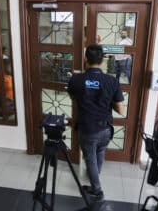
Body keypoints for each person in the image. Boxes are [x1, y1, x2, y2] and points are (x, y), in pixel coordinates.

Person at [67, 44, 125, 202]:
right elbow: (121, 109)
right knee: (99, 153)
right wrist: (107, 102)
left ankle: (97, 190)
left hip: (87, 128)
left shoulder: (76, 79)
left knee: (90, 158)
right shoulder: (112, 81)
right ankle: (95, 177)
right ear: (102, 61)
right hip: (105, 128)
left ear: (86, 59)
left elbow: (74, 97)